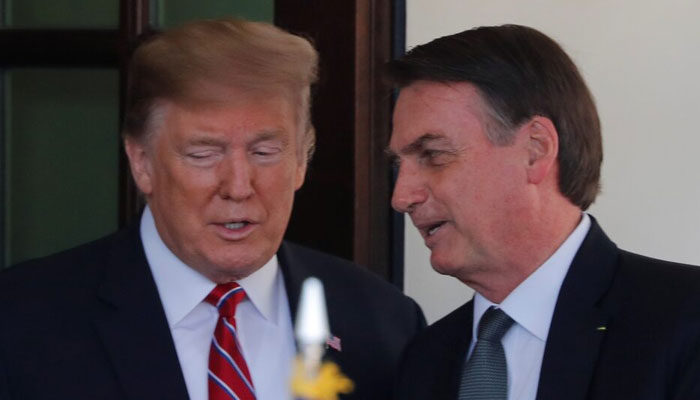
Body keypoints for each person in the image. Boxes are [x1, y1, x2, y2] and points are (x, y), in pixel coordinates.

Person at [0, 18, 424, 400]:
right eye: (203, 154)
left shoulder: (384, 322)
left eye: (264, 152)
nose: (238, 187)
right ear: (142, 163)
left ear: (302, 160)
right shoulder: (21, 322)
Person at [386, 24, 700, 400]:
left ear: (535, 150)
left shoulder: (686, 322)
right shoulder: (424, 360)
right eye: (399, 166)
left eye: (433, 155)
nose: (401, 197)